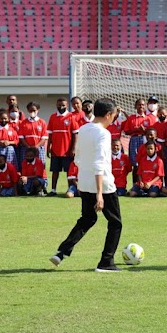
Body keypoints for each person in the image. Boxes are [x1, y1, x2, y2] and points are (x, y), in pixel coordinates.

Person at [49, 98, 125, 272]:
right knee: (115, 223)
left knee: (88, 219)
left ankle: (62, 251)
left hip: (84, 182)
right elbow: (100, 163)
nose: (113, 119)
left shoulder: (83, 129)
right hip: (103, 184)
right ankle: (106, 262)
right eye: (113, 116)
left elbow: (78, 157)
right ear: (107, 115)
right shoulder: (104, 134)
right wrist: (100, 194)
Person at [47, 98, 79, 196]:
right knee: (55, 171)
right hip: (55, 150)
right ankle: (53, 190)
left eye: (64, 105)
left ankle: (69, 189)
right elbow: (50, 134)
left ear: (67, 106)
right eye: (59, 105)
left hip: (67, 150)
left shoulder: (71, 117)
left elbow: (75, 134)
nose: (61, 107)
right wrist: (49, 146)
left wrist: (73, 148)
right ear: (56, 105)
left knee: (68, 172)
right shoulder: (53, 117)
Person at [123, 98, 157, 170]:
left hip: (144, 139)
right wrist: (137, 130)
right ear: (135, 106)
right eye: (139, 105)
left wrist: (145, 131)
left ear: (145, 106)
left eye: (143, 105)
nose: (141, 106)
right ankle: (135, 180)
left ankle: (145, 178)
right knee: (134, 161)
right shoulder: (131, 118)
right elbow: (126, 131)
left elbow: (152, 132)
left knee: (144, 159)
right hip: (134, 139)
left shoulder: (149, 118)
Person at [18, 101, 48, 166]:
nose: (32, 112)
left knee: (40, 166)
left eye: (34, 110)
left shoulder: (42, 122)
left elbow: (44, 138)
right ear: (28, 110)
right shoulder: (23, 122)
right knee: (26, 165)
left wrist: (36, 146)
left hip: (38, 148)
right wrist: (28, 147)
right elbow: (21, 137)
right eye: (30, 110)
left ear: (38, 110)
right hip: (26, 148)